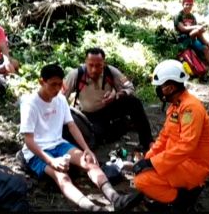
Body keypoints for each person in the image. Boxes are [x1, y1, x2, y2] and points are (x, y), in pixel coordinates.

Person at [19, 63, 142, 211]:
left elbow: (72, 125)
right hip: (36, 151)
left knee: (89, 162)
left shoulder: (60, 99)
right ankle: (94, 208)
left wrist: (86, 149)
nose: (57, 89)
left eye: (60, 84)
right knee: (61, 177)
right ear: (41, 82)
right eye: (53, 85)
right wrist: (51, 161)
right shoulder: (30, 103)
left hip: (58, 144)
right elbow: (29, 140)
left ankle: (116, 198)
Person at [132, 59, 209, 212]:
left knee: (141, 181)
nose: (158, 90)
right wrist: (147, 159)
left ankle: (182, 200)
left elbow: (187, 146)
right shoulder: (176, 106)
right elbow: (164, 137)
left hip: (193, 167)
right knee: (143, 173)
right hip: (177, 161)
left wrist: (152, 164)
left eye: (159, 87)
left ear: (169, 88)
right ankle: (179, 192)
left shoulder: (191, 109)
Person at [62, 47, 154, 152]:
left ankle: (147, 142)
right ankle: (124, 125)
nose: (94, 70)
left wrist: (117, 94)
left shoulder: (111, 72)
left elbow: (130, 87)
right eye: (91, 65)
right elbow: (60, 98)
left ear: (104, 63)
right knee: (100, 138)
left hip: (109, 108)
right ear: (85, 62)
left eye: (98, 66)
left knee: (134, 102)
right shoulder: (76, 75)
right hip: (89, 116)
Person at [174, 0, 209, 67]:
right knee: (198, 30)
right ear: (183, 4)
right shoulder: (178, 16)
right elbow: (183, 29)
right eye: (187, 4)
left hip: (193, 38)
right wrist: (197, 26)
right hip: (183, 39)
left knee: (205, 48)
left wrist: (200, 29)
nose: (188, 6)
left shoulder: (192, 17)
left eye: (190, 5)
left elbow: (197, 32)